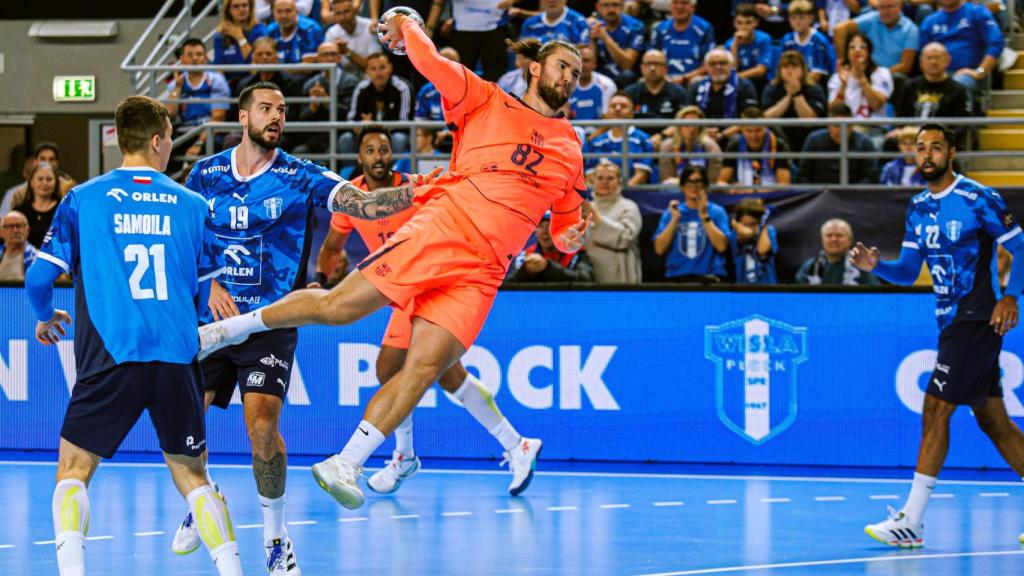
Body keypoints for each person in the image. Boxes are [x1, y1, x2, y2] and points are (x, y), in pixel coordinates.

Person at [196, 20, 591, 513]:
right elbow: (428, 62)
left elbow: (563, 227)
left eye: (577, 72)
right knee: (339, 308)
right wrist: (407, 23)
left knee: (422, 369)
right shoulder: (487, 98)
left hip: (486, 270)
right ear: (535, 69)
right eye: (562, 67)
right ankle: (226, 331)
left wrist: (567, 238)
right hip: (445, 227)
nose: (570, 78)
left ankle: (347, 463)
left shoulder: (571, 148)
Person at [170, 81, 431, 572]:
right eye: (266, 108)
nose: (276, 116)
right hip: (211, 321)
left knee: (263, 428)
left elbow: (358, 202)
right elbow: (185, 234)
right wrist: (206, 285)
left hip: (270, 320)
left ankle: (275, 533)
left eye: (282, 110)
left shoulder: (299, 174)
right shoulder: (205, 173)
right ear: (243, 117)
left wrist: (413, 192)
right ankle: (201, 499)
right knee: (186, 422)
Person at [23, 95, 244, 576]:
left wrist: (44, 316)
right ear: (159, 140)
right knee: (193, 476)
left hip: (111, 355)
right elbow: (205, 291)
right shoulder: (192, 204)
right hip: (177, 356)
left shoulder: (83, 199)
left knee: (74, 470)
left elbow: (39, 280)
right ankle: (233, 571)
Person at [317, 126, 544, 493]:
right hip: (401, 290)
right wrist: (318, 277)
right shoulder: (353, 198)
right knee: (448, 375)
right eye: (370, 150)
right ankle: (516, 444)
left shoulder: (414, 188)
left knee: (391, 368)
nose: (378, 156)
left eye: (384, 149)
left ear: (393, 154)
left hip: (433, 283)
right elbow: (331, 245)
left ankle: (407, 456)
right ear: (360, 157)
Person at [854, 124, 1024, 547]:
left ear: (951, 153)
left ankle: (911, 519)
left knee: (935, 409)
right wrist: (878, 267)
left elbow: (1021, 247)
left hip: (977, 317)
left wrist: (1012, 297)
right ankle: (911, 520)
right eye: (920, 148)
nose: (926, 154)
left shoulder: (977, 198)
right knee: (994, 422)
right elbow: (910, 272)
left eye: (935, 147)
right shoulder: (917, 207)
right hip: (950, 320)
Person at [919, 0, 1004, 108]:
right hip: (937, 75)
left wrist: (980, 71)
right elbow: (923, 54)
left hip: (969, 74)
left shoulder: (977, 12)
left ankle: (962, 124)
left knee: (957, 85)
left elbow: (996, 43)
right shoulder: (929, 21)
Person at [653, 164, 730, 282]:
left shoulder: (717, 212)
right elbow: (659, 249)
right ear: (682, 186)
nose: (694, 187)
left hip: (709, 278)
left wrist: (704, 217)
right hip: (677, 277)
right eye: (689, 182)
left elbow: (721, 246)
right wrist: (674, 220)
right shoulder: (672, 212)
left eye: (698, 182)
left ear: (705, 185)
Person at [164, 38, 232, 157]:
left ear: (205, 58)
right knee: (163, 143)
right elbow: (170, 115)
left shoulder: (216, 80)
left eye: (199, 54)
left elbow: (218, 118)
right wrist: (177, 88)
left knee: (217, 144)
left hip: (209, 133)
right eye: (189, 55)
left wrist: (198, 143)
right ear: (182, 60)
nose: (195, 58)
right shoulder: (175, 83)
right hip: (185, 131)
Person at [294, 41, 363, 154]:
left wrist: (327, 102)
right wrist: (313, 108)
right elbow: (302, 120)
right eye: (325, 55)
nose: (330, 58)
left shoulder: (351, 81)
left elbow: (350, 114)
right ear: (318, 58)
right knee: (298, 152)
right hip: (316, 136)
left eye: (333, 54)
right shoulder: (310, 84)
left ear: (339, 57)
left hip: (340, 134)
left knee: (331, 153)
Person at [832, 0, 919, 82]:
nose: (886, 11)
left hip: (889, 76)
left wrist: (878, 76)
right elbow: (839, 29)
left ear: (900, 7)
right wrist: (842, 61)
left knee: (899, 78)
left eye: (890, 7)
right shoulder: (873, 18)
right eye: (882, 7)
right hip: (864, 71)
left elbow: (905, 66)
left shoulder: (911, 29)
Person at [342, 53, 413, 154]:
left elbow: (404, 122)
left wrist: (376, 126)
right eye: (373, 69)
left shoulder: (402, 88)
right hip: (366, 133)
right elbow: (350, 119)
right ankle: (350, 169)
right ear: (367, 71)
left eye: (382, 67)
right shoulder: (361, 88)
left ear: (390, 68)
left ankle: (396, 169)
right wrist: (360, 125)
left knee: (399, 139)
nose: (378, 73)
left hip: (392, 134)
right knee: (346, 139)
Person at [796, 101, 879, 184]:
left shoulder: (864, 143)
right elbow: (802, 176)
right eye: (837, 126)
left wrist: (852, 192)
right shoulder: (814, 140)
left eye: (846, 126)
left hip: (854, 195)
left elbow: (871, 177)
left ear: (852, 125)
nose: (841, 131)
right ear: (828, 125)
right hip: (820, 194)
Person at [586, 161, 642, 283]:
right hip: (587, 273)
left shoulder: (629, 207)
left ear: (619, 182)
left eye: (610, 178)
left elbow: (626, 238)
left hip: (619, 274)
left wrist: (597, 219)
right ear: (593, 181)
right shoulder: (586, 208)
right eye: (600, 178)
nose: (604, 182)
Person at [584, 91, 656, 185]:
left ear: (632, 113)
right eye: (613, 106)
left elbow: (640, 176)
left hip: (630, 194)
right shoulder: (596, 142)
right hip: (601, 195)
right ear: (607, 113)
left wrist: (618, 193)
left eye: (623, 106)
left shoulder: (642, 140)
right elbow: (590, 176)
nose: (618, 109)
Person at [761, 50, 827, 151]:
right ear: (780, 70)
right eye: (786, 67)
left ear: (803, 69)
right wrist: (788, 97)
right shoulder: (772, 88)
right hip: (780, 138)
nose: (790, 71)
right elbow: (766, 118)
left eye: (794, 67)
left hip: (807, 137)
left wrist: (797, 95)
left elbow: (808, 122)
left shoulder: (814, 89)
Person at [717, 106, 792, 191]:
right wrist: (733, 189)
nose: (754, 136)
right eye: (749, 131)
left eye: (758, 130)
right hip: (742, 198)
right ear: (741, 129)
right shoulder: (735, 145)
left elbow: (785, 184)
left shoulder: (778, 145)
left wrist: (766, 190)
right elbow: (721, 182)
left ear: (765, 127)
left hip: (771, 197)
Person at [828, 33, 894, 125]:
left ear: (869, 51)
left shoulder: (881, 73)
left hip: (873, 128)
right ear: (847, 53)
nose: (857, 50)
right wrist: (843, 86)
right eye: (852, 47)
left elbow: (876, 104)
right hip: (845, 129)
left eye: (862, 47)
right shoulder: (837, 77)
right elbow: (833, 111)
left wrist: (862, 80)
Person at [687, 48, 759, 133]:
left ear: (731, 65)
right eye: (712, 64)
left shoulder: (745, 86)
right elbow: (688, 116)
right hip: (700, 134)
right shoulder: (696, 87)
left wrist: (723, 134)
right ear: (706, 67)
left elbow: (750, 117)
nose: (718, 67)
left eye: (723, 63)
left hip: (734, 134)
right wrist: (704, 132)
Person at [623, 49, 690, 140]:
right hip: (635, 139)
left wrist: (661, 136)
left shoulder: (678, 92)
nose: (652, 68)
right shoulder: (630, 92)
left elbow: (683, 121)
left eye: (657, 64)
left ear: (666, 68)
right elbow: (622, 120)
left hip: (668, 139)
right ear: (642, 67)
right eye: (648, 64)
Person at [509, 212, 595, 282]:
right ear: (535, 232)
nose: (545, 232)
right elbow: (508, 286)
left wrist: (547, 266)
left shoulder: (577, 253)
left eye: (550, 227)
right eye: (541, 226)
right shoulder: (525, 255)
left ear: (562, 231)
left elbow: (585, 279)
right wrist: (525, 269)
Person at [444, 0, 515, 82]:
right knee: (459, 76)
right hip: (462, 28)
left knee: (495, 77)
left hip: (495, 26)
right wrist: (430, 27)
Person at [795, 218, 880, 284]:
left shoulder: (861, 265)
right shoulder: (811, 266)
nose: (834, 239)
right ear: (822, 239)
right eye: (829, 235)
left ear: (850, 239)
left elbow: (875, 296)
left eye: (839, 235)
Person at [650, 0, 715, 86]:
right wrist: (663, 77)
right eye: (675, 2)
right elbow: (651, 60)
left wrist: (685, 78)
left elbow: (709, 63)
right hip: (663, 79)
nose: (679, 7)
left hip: (691, 79)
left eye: (685, 3)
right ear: (670, 6)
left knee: (696, 82)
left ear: (693, 7)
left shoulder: (704, 28)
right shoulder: (659, 29)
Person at [897, 42, 970, 119]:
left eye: (937, 57)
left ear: (948, 60)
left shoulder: (958, 90)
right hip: (910, 130)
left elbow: (963, 126)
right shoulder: (910, 86)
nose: (933, 62)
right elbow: (899, 119)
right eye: (929, 58)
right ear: (921, 61)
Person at [587, 0, 646, 86]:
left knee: (627, 75)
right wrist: (591, 39)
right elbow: (588, 62)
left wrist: (605, 38)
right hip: (600, 74)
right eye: (606, 5)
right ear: (598, 7)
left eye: (615, 5)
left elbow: (627, 65)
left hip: (624, 77)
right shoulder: (594, 24)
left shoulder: (635, 26)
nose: (611, 9)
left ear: (622, 6)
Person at [658, 105, 721, 184]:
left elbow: (712, 180)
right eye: (687, 124)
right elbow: (666, 180)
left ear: (700, 127)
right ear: (679, 126)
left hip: (702, 189)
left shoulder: (711, 146)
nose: (691, 128)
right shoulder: (668, 146)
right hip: (675, 190)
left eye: (695, 124)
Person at [213, 0, 268, 88]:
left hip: (253, 81)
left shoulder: (260, 30)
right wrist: (223, 87)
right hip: (229, 84)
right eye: (236, 6)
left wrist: (239, 37)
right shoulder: (220, 35)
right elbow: (219, 67)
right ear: (228, 10)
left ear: (250, 8)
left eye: (244, 5)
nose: (241, 9)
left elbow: (256, 62)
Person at [782, 0, 837, 85]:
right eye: (793, 18)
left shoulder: (819, 40)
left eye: (801, 18)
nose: (797, 22)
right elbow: (782, 68)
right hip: (791, 82)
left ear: (811, 18)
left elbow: (817, 74)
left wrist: (797, 83)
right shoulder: (787, 40)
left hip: (815, 85)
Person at [725, 3, 774, 92]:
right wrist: (735, 44)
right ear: (734, 24)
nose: (744, 27)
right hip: (739, 85)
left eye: (748, 22)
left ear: (756, 23)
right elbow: (733, 69)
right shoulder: (729, 44)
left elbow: (761, 71)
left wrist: (735, 77)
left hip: (761, 83)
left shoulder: (764, 39)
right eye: (739, 23)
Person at [324, 0, 382, 74]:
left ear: (355, 11)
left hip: (369, 77)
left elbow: (375, 65)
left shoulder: (370, 28)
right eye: (338, 13)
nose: (343, 17)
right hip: (343, 79)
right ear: (334, 16)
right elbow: (327, 67)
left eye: (346, 11)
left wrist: (347, 52)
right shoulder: (331, 33)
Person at [14, 162, 63, 250]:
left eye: (49, 179)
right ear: (32, 182)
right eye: (40, 179)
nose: (45, 183)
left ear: (56, 182)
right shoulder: (19, 212)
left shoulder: (63, 211)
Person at [730, 197, 777, 284]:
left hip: (769, 291)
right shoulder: (734, 235)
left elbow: (762, 250)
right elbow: (747, 234)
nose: (750, 228)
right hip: (743, 292)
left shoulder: (768, 231)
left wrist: (763, 223)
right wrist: (734, 222)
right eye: (745, 224)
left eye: (753, 224)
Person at [569, 46, 617, 122]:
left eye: (586, 61)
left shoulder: (607, 85)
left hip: (600, 132)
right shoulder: (566, 85)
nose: (582, 65)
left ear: (594, 64)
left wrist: (593, 134)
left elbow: (608, 121)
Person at [520, 0, 590, 46]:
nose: (551, 0)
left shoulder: (578, 21)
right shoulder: (530, 23)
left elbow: (585, 53)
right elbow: (521, 54)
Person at [0, 210, 37, 282]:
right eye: (10, 226)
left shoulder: (37, 259)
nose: (15, 230)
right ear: (1, 232)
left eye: (19, 226)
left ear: (27, 230)